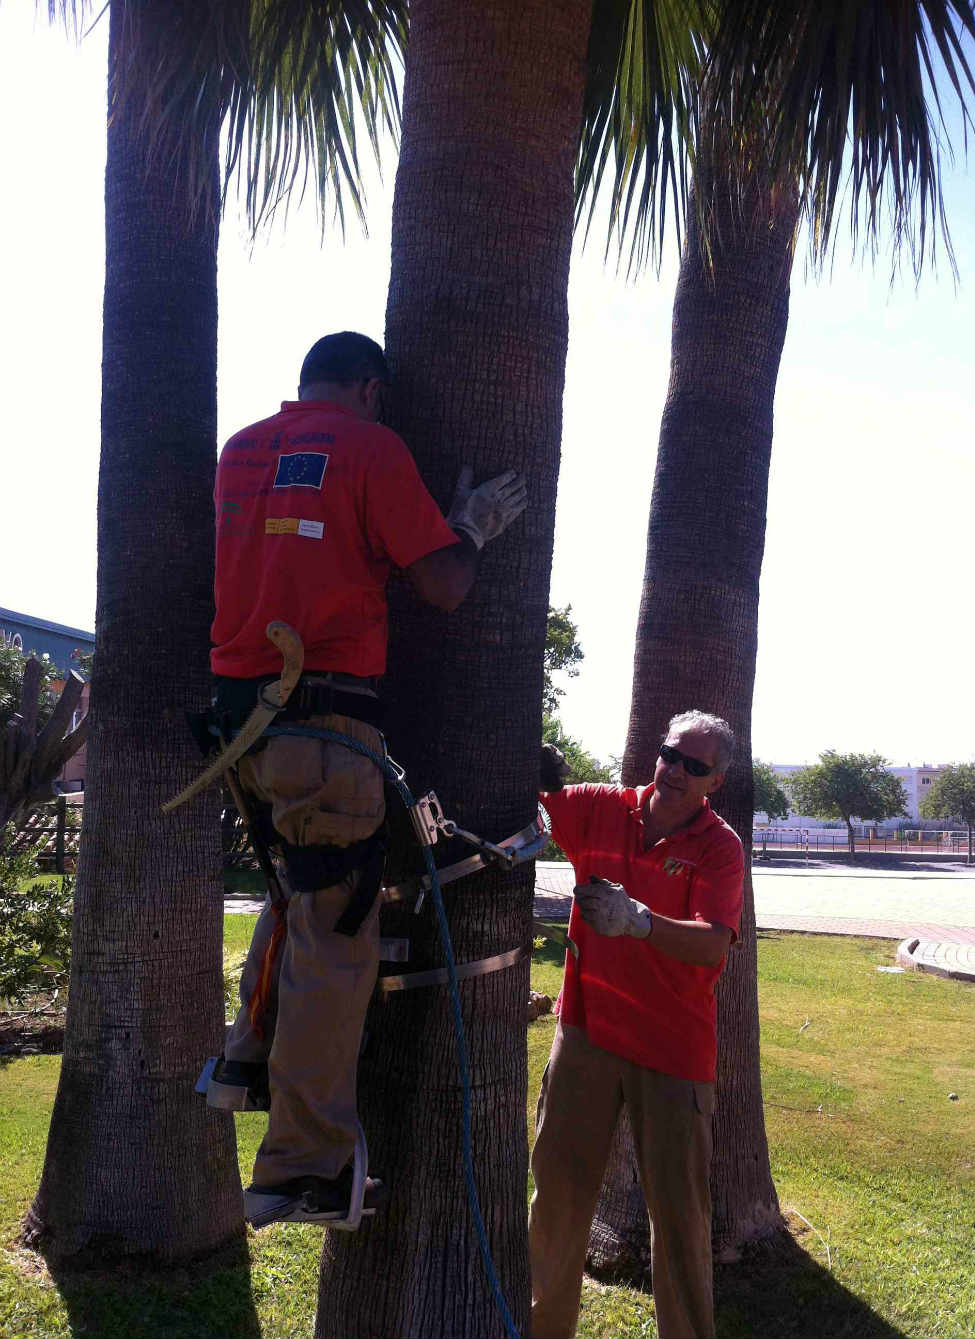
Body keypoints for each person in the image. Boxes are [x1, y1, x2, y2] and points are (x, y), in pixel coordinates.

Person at [206, 331, 527, 1229]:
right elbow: (446, 585)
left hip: (247, 736)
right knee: (339, 938)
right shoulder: (368, 445)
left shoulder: (242, 451)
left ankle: (246, 1054)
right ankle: (302, 1168)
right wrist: (468, 527)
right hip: (326, 726)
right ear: (369, 388)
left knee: (301, 897)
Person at [530, 710, 745, 1339]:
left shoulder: (719, 847)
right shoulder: (601, 809)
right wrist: (534, 767)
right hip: (586, 1038)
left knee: (679, 1224)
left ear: (716, 782)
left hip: (673, 1053)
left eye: (695, 765)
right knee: (557, 1207)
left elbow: (713, 946)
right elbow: (535, 800)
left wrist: (639, 920)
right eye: (670, 754)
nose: (676, 771)